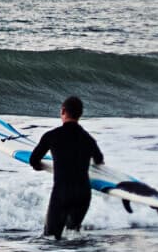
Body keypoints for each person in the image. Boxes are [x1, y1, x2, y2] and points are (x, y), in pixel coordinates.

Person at [29, 96, 104, 240]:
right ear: (80, 114)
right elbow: (99, 160)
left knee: (51, 238)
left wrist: (40, 166)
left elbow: (33, 160)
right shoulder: (88, 139)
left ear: (63, 111)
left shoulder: (52, 135)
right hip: (83, 193)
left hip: (62, 192)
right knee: (74, 236)